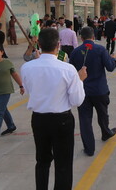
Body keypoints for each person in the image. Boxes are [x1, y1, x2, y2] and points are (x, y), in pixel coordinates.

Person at [21, 28, 86, 190]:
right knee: (63, 164)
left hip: (39, 119)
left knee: (42, 161)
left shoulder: (27, 68)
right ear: (58, 45)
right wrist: (80, 80)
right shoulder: (68, 69)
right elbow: (77, 100)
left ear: (40, 44)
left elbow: (29, 91)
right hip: (61, 120)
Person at [69, 26, 116, 157]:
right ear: (93, 37)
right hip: (100, 90)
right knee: (103, 113)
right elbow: (110, 67)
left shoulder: (75, 52)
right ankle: (105, 132)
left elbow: (71, 72)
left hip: (83, 91)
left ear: (81, 38)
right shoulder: (101, 49)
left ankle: (89, 148)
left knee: (85, 120)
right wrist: (113, 58)